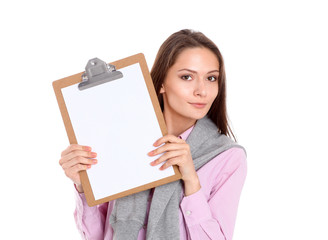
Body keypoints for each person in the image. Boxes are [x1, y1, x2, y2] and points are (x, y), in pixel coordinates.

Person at [59, 29, 247, 240]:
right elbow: (99, 235)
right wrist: (83, 186)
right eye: (187, 77)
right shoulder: (124, 138)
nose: (202, 91)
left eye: (211, 78)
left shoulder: (228, 157)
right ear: (161, 84)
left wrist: (191, 180)